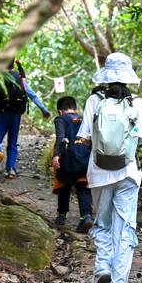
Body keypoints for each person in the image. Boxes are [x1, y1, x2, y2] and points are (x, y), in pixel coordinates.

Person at [77, 52, 142, 283]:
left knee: (102, 223)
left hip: (99, 174)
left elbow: (84, 138)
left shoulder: (94, 100)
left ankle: (103, 268)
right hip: (128, 174)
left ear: (106, 75)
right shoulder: (137, 104)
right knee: (124, 230)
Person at [0, 60, 51, 178]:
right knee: (13, 143)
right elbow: (32, 95)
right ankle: (11, 170)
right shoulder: (20, 78)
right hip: (16, 114)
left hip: (2, 113)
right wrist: (44, 110)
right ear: (13, 65)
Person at [51, 96, 94, 233]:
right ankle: (86, 216)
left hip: (69, 158)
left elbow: (60, 137)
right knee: (83, 186)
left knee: (63, 183)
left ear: (60, 111)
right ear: (75, 109)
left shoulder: (60, 119)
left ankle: (62, 215)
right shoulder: (85, 118)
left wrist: (56, 155)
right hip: (85, 158)